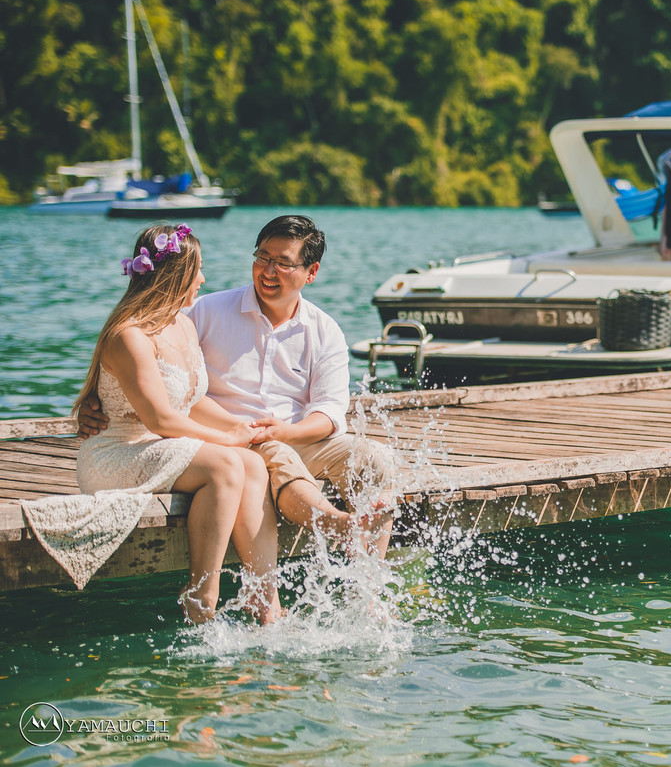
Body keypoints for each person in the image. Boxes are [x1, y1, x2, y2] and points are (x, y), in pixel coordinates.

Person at [78, 215, 397, 554]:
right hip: (223, 440)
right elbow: (141, 352)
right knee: (272, 454)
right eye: (262, 257)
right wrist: (96, 399)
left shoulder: (325, 330)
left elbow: (330, 412)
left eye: (283, 263)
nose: (268, 271)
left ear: (311, 272)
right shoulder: (204, 311)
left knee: (374, 456)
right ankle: (335, 525)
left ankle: (368, 581)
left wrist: (283, 431)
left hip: (294, 436)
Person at [23, 224, 281, 625]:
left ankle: (263, 596)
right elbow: (160, 419)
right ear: (174, 274)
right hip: (115, 454)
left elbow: (192, 402)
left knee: (250, 464)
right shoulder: (129, 336)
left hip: (160, 447)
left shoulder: (183, 324)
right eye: (197, 270)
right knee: (227, 464)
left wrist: (244, 428)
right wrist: (228, 439)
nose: (203, 279)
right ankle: (201, 596)